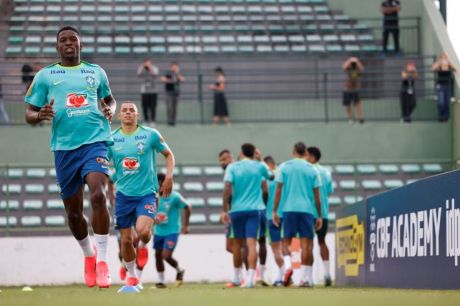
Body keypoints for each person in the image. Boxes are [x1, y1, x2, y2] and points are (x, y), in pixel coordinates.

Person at [24, 26, 117, 288]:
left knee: (99, 195)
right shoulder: (45, 76)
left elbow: (110, 100)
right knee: (74, 214)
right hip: (64, 149)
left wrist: (110, 110)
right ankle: (89, 255)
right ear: (57, 47)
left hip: (96, 142)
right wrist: (39, 115)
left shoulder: (96, 72)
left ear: (80, 44)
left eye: (72, 40)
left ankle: (103, 262)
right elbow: (28, 114)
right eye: (63, 40)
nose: (68, 43)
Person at [108, 101, 175, 288]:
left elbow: (169, 155)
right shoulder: (111, 139)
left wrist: (168, 178)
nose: (128, 113)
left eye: (132, 111)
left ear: (137, 115)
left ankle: (145, 241)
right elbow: (103, 164)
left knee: (143, 232)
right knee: (126, 240)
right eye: (125, 111)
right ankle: (131, 277)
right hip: (123, 196)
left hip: (147, 193)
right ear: (119, 116)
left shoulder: (150, 135)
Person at [221, 143, 272, 288]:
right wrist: (261, 159)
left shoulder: (232, 167)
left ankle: (237, 278)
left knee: (237, 244)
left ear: (242, 152)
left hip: (236, 210)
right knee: (251, 244)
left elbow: (227, 190)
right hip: (254, 209)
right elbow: (272, 176)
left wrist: (224, 210)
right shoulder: (259, 166)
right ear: (253, 153)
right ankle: (250, 279)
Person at [272, 142, 322, 288]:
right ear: (305, 152)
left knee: (285, 243)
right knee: (307, 246)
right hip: (307, 210)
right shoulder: (312, 169)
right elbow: (317, 196)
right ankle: (306, 278)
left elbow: (278, 190)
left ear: (293, 151)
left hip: (289, 209)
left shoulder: (284, 167)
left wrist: (275, 210)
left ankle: (288, 267)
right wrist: (319, 215)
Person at [154, 173, 191, 289]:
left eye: (159, 182)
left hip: (172, 231)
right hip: (158, 231)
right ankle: (161, 281)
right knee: (158, 256)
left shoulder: (175, 197)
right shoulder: (154, 197)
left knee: (166, 255)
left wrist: (186, 225)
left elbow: (188, 207)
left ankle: (179, 270)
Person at [306, 146, 334, 287]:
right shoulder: (326, 172)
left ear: (311, 156)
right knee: (322, 242)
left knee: (308, 244)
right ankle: (327, 273)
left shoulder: (307, 171)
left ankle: (309, 277)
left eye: (306, 155)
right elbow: (329, 191)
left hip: (309, 212)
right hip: (323, 213)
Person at [263, 156, 289, 287]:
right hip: (287, 214)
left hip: (271, 216)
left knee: (276, 249)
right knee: (286, 246)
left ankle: (285, 272)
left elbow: (264, 196)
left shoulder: (266, 180)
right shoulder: (285, 176)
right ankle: (281, 277)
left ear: (271, 165)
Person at [432, 52, 457, 122]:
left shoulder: (448, 66)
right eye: (442, 57)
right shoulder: (439, 65)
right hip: (440, 85)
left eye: (445, 57)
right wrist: (440, 62)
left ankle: (445, 118)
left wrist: (449, 63)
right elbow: (433, 68)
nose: (444, 59)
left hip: (447, 85)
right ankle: (441, 116)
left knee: (446, 103)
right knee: (441, 102)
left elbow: (455, 70)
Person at [161, 62, 185, 126]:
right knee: (169, 107)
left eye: (176, 66)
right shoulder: (168, 73)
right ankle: (169, 121)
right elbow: (163, 79)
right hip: (169, 92)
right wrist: (170, 81)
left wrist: (177, 73)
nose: (174, 68)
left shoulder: (179, 73)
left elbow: (182, 79)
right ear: (171, 67)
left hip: (176, 93)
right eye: (173, 66)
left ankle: (173, 122)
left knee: (174, 108)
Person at [137, 59, 159, 127]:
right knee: (145, 106)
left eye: (148, 63)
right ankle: (146, 120)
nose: (147, 64)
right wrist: (142, 67)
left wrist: (150, 68)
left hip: (153, 91)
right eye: (146, 63)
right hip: (144, 91)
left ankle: (152, 121)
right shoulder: (142, 68)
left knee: (153, 106)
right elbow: (138, 75)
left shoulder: (154, 68)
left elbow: (155, 75)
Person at [342, 57, 365, 124]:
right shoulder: (348, 69)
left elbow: (362, 69)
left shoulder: (358, 70)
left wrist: (357, 61)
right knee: (348, 105)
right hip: (347, 89)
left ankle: (361, 118)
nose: (353, 64)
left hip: (354, 89)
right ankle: (350, 119)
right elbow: (343, 67)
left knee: (358, 104)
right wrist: (349, 60)